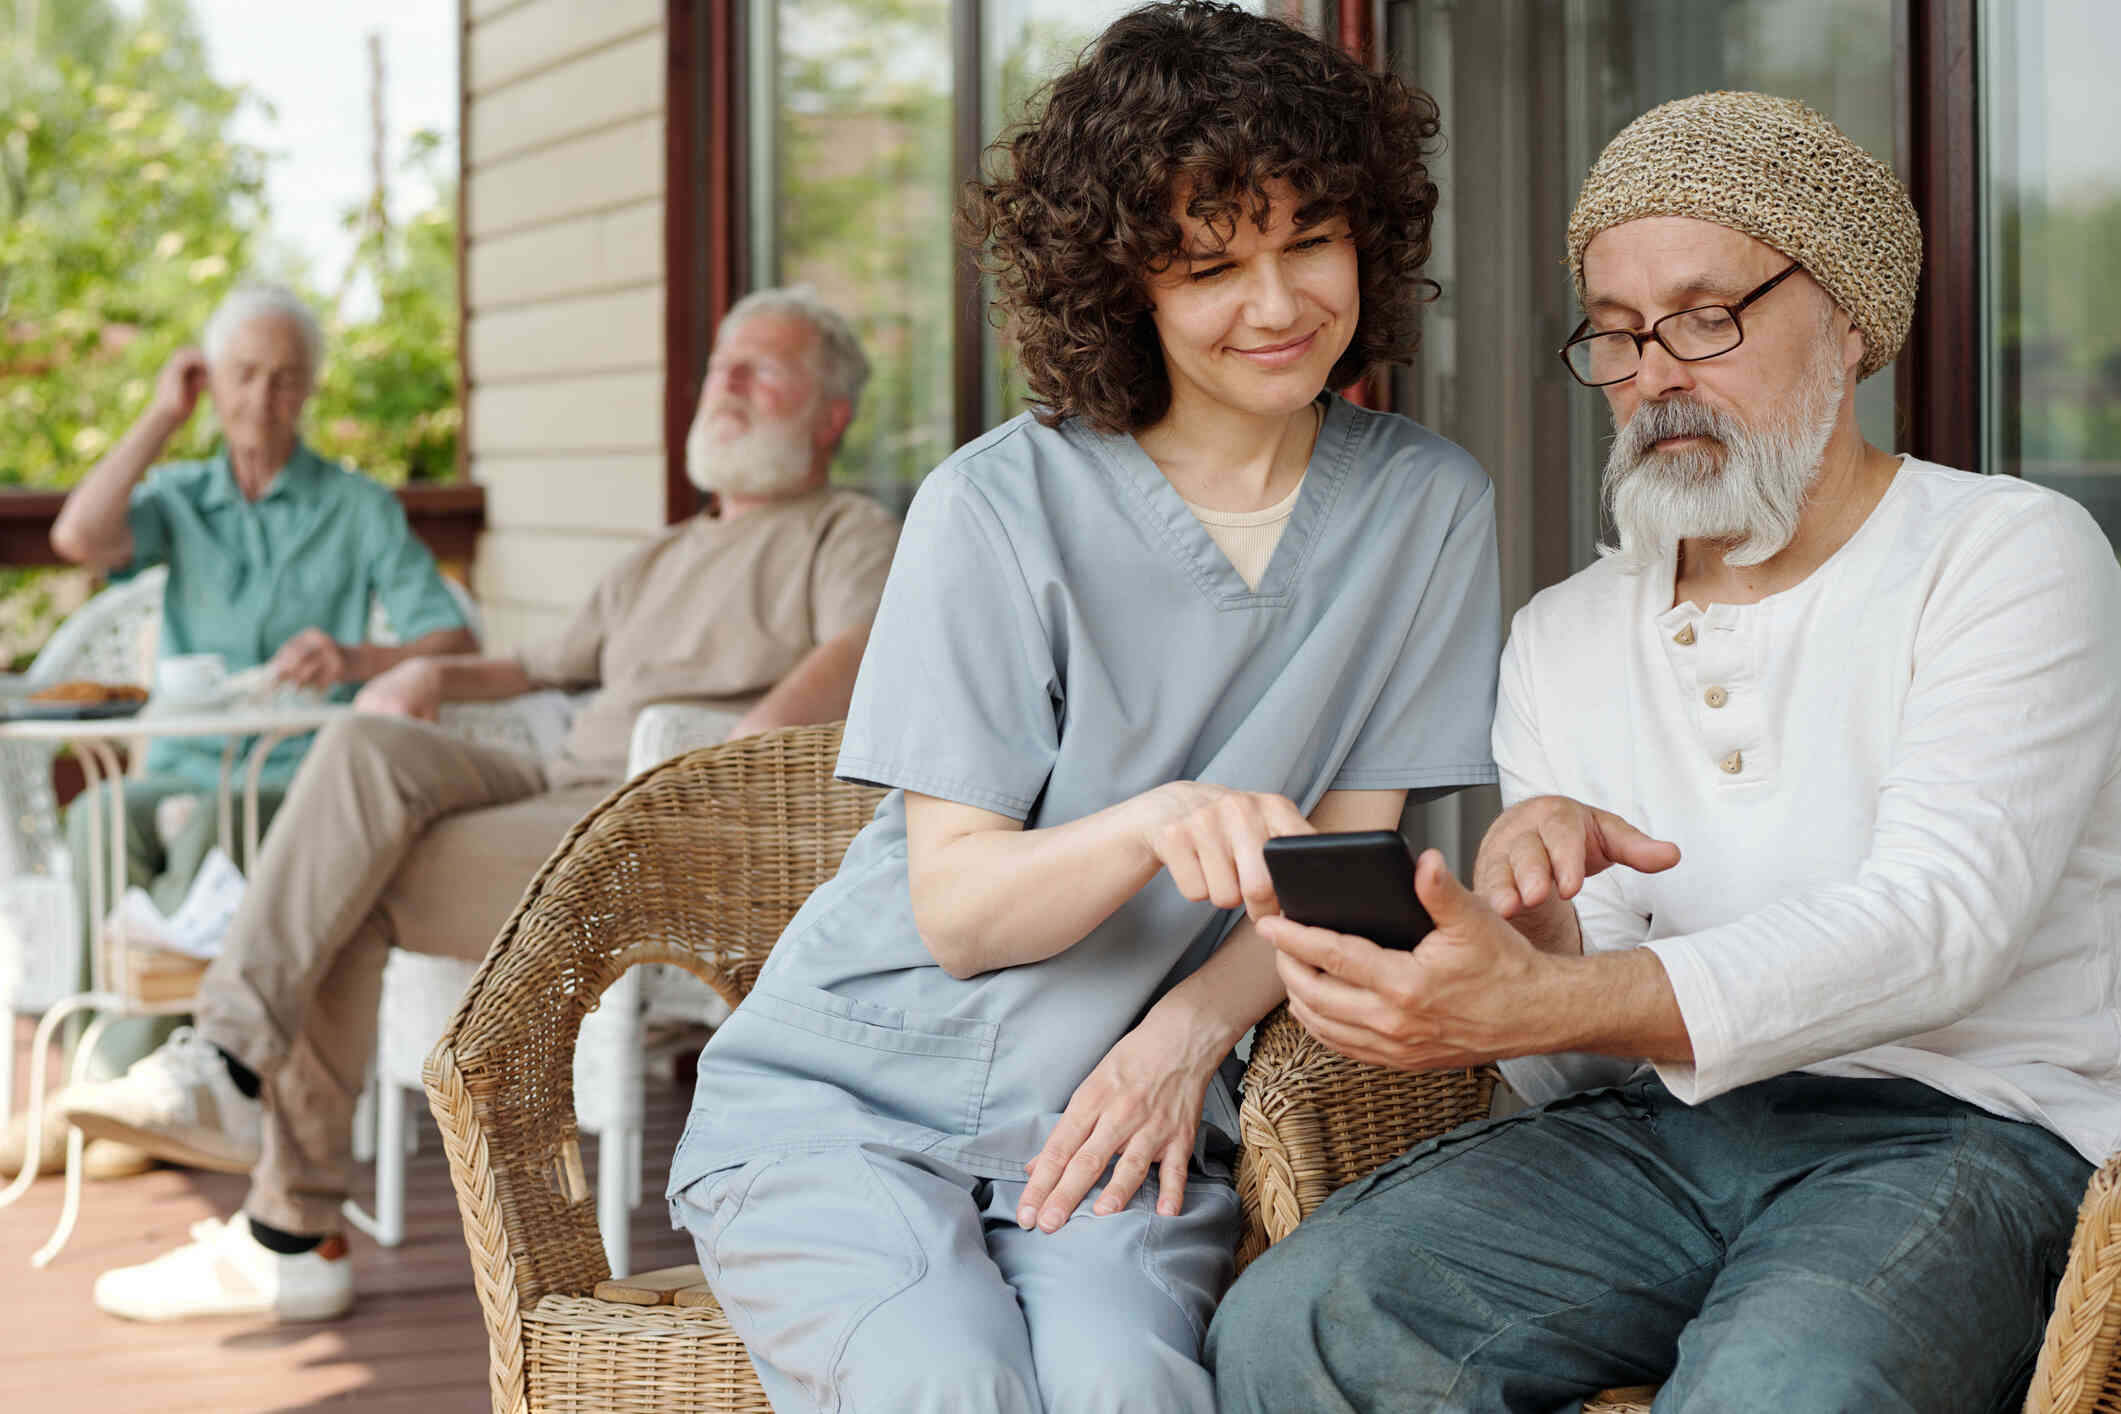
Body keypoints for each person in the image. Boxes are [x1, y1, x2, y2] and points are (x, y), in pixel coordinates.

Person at [1210, 91, 2120, 1413]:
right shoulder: (1564, 635)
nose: (1656, 375)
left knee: (1787, 1384)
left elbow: (1939, 927)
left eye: (1706, 317)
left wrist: (1555, 994)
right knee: (1304, 1321)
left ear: (1850, 318)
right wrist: (1537, 942)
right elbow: (1581, 1059)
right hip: (1663, 1135)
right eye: (1622, 334)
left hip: (1964, 1127)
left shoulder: (2002, 555)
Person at [665, 6, 1501, 1411]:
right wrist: (1153, 822)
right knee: (953, 1383)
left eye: (1309, 239)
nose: (1279, 301)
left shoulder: (1427, 506)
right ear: (1128, 285)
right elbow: (963, 913)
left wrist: (1185, 1035)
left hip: (1120, 1116)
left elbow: (1342, 885)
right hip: (850, 1103)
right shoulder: (994, 507)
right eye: (1212, 263)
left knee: (1130, 1389)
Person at [62, 286, 903, 1323]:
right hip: (563, 785)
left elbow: (869, 644)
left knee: (352, 882)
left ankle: (281, 1217)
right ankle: (233, 1066)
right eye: (720, 363)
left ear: (828, 417)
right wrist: (411, 673)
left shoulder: (845, 532)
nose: (724, 386)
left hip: (661, 827)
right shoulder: (666, 552)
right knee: (366, 742)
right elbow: (533, 665)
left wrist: (751, 731)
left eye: (759, 371)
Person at [14, 282, 477, 1179]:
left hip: (300, 775)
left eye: (284, 380)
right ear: (213, 382)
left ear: (308, 391)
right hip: (183, 763)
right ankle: (106, 1081)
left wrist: (353, 657)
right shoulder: (181, 496)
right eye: (243, 376)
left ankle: (131, 1097)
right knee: (99, 821)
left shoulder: (355, 506)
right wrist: (161, 413)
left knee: (211, 831)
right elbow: (79, 534)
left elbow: (448, 635)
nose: (262, 399)